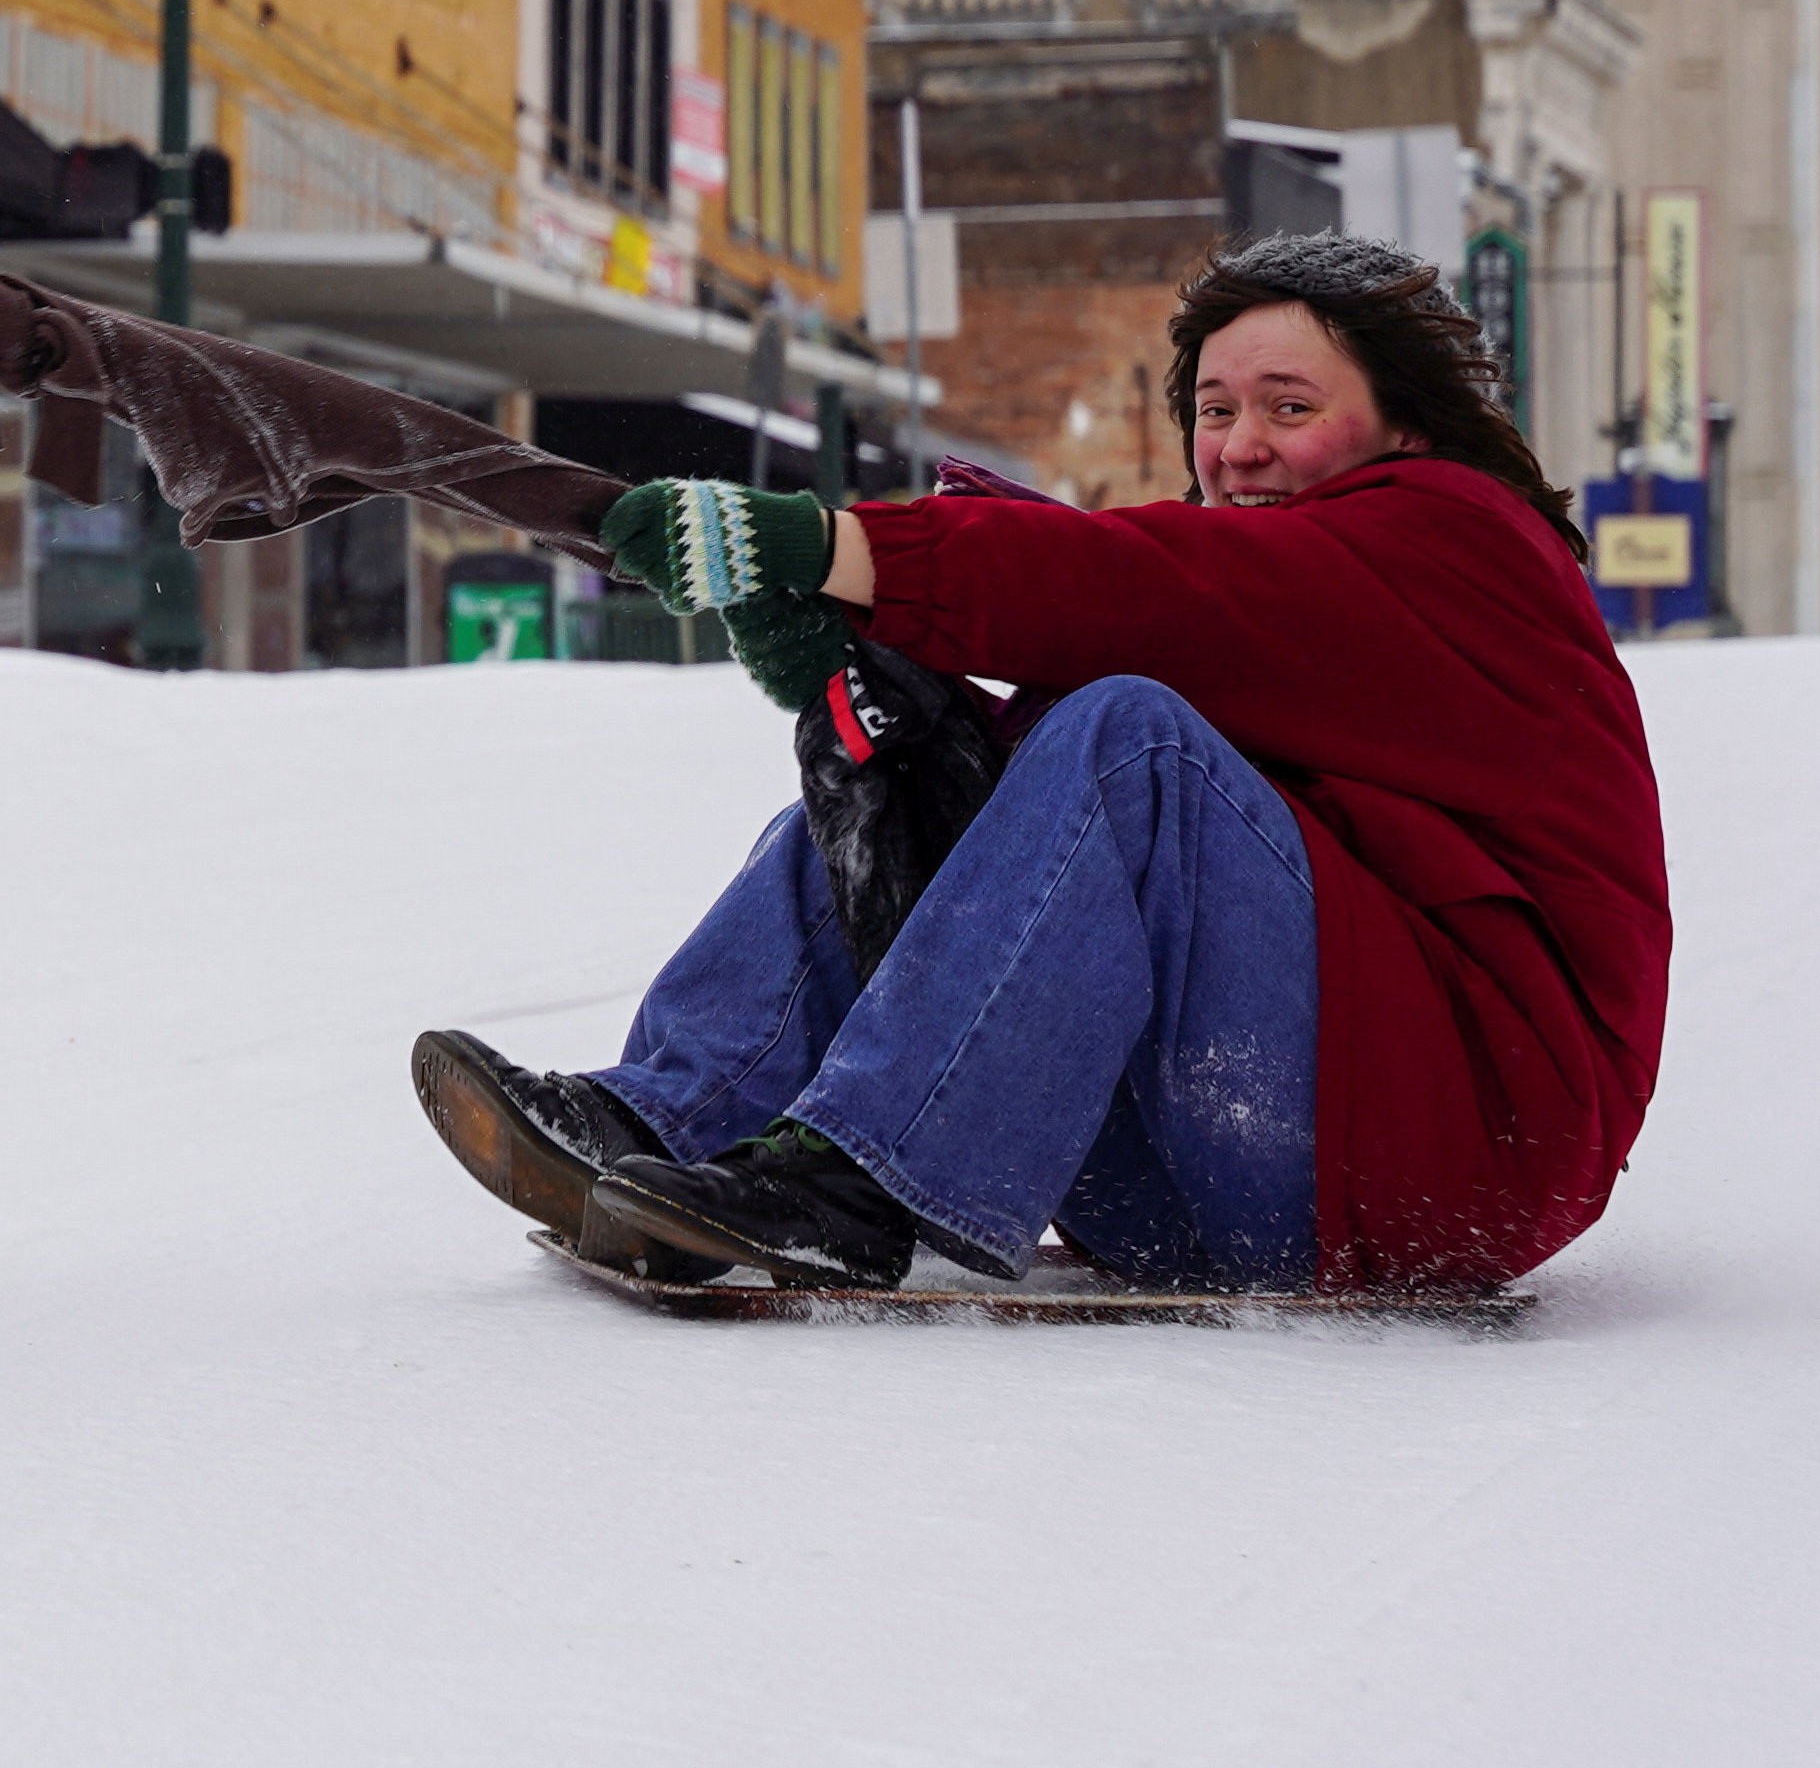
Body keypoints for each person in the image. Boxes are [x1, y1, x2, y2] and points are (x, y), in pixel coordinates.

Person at [413, 234, 1669, 1296]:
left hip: (1442, 1163)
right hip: (1193, 1167)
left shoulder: (1459, 539)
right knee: (929, 770)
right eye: (1215, 410)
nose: (1239, 444)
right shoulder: (1264, 604)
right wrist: (865, 666)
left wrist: (834, 547)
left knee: (1131, 741)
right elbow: (1057, 805)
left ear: (1405, 421)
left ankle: (856, 1180)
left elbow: (1143, 588)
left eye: (1290, 407)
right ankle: (663, 1120)